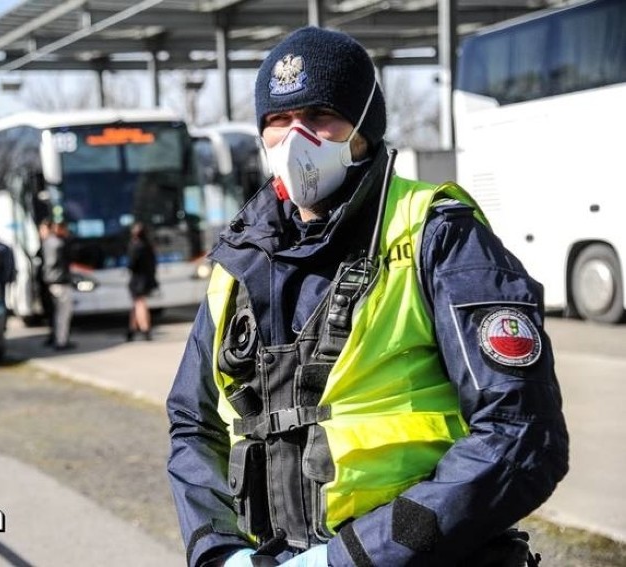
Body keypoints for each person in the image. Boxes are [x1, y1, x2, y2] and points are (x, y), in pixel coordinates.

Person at [166, 27, 568, 567]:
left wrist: (353, 558)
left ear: (364, 128)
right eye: (278, 121)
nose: (296, 140)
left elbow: (521, 436)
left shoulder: (435, 232)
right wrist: (215, 549)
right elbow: (194, 425)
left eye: (320, 117)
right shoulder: (239, 260)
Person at [40, 220, 75, 350]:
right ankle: (61, 341)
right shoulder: (60, 244)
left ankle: (58, 338)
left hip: (51, 282)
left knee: (57, 314)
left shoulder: (47, 242)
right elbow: (67, 261)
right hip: (61, 281)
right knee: (63, 314)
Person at [126, 222, 158, 341]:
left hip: (137, 279)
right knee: (136, 304)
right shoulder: (148, 246)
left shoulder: (136, 246)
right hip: (146, 278)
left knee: (139, 303)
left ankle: (145, 329)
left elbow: (131, 264)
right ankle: (131, 330)